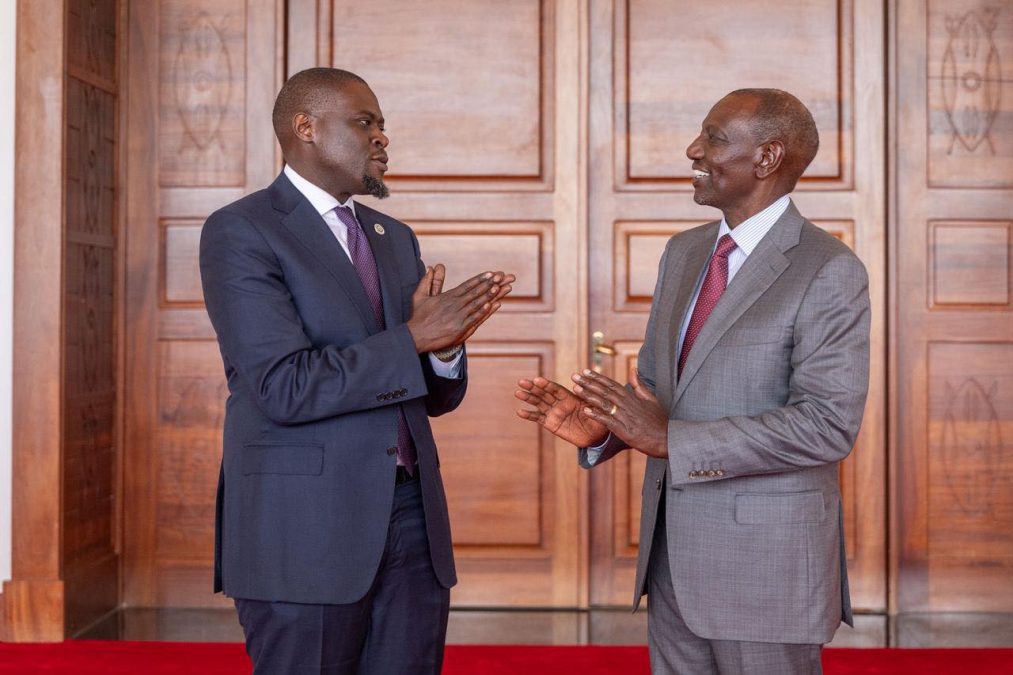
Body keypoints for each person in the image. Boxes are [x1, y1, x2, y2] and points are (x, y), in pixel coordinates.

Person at [516, 89, 870, 674]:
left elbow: (826, 426)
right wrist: (605, 432)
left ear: (767, 157)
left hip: (766, 571)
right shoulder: (684, 253)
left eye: (713, 138)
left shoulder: (828, 269)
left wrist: (672, 440)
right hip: (672, 562)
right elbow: (660, 400)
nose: (693, 149)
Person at [199, 67, 514, 674]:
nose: (382, 140)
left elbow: (431, 396)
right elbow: (282, 386)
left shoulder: (393, 237)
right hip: (303, 527)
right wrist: (415, 337)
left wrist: (445, 348)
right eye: (365, 123)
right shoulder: (242, 230)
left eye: (383, 126)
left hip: (411, 522)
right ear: (305, 128)